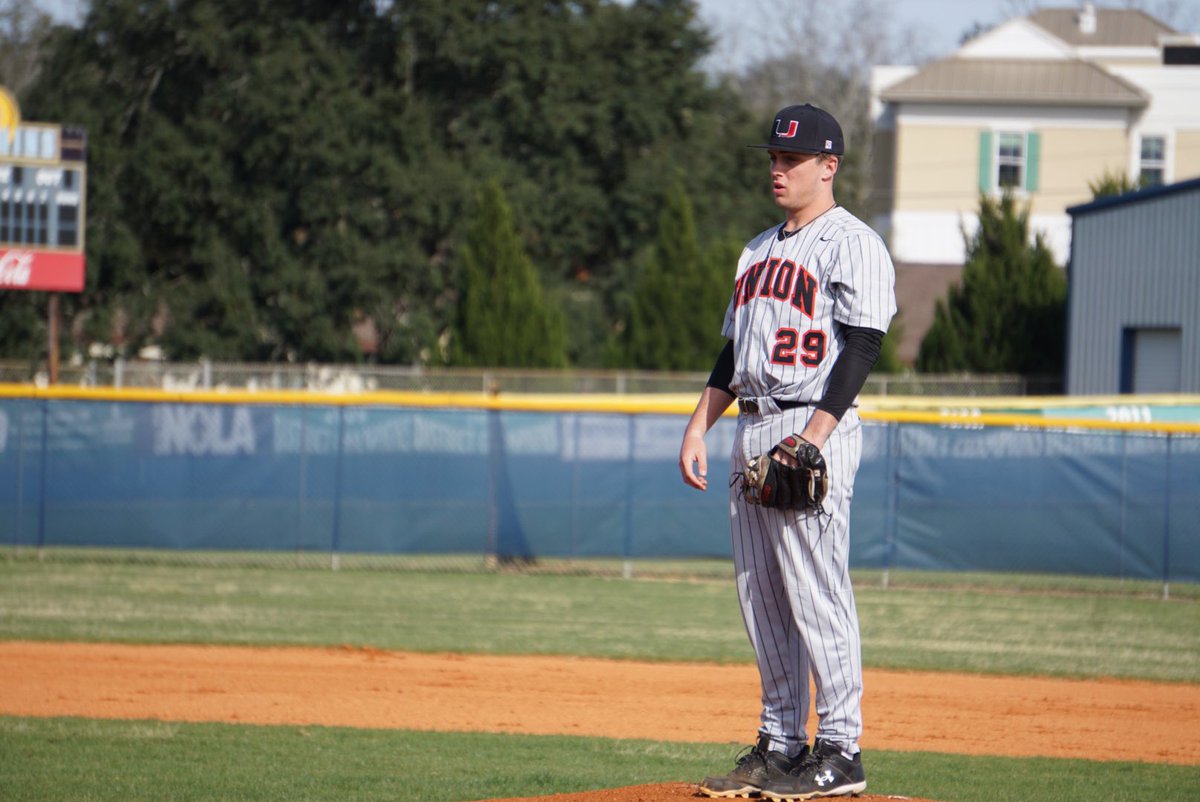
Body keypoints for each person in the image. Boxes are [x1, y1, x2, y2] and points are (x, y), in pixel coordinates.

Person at [678, 103, 896, 801]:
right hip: (752, 424)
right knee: (761, 593)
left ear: (828, 166)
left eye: (793, 159)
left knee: (815, 589)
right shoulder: (755, 250)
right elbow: (731, 352)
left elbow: (862, 343)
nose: (779, 168)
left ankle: (841, 746)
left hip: (812, 423)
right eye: (774, 158)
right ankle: (780, 741)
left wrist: (816, 438)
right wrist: (697, 424)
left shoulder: (852, 242)